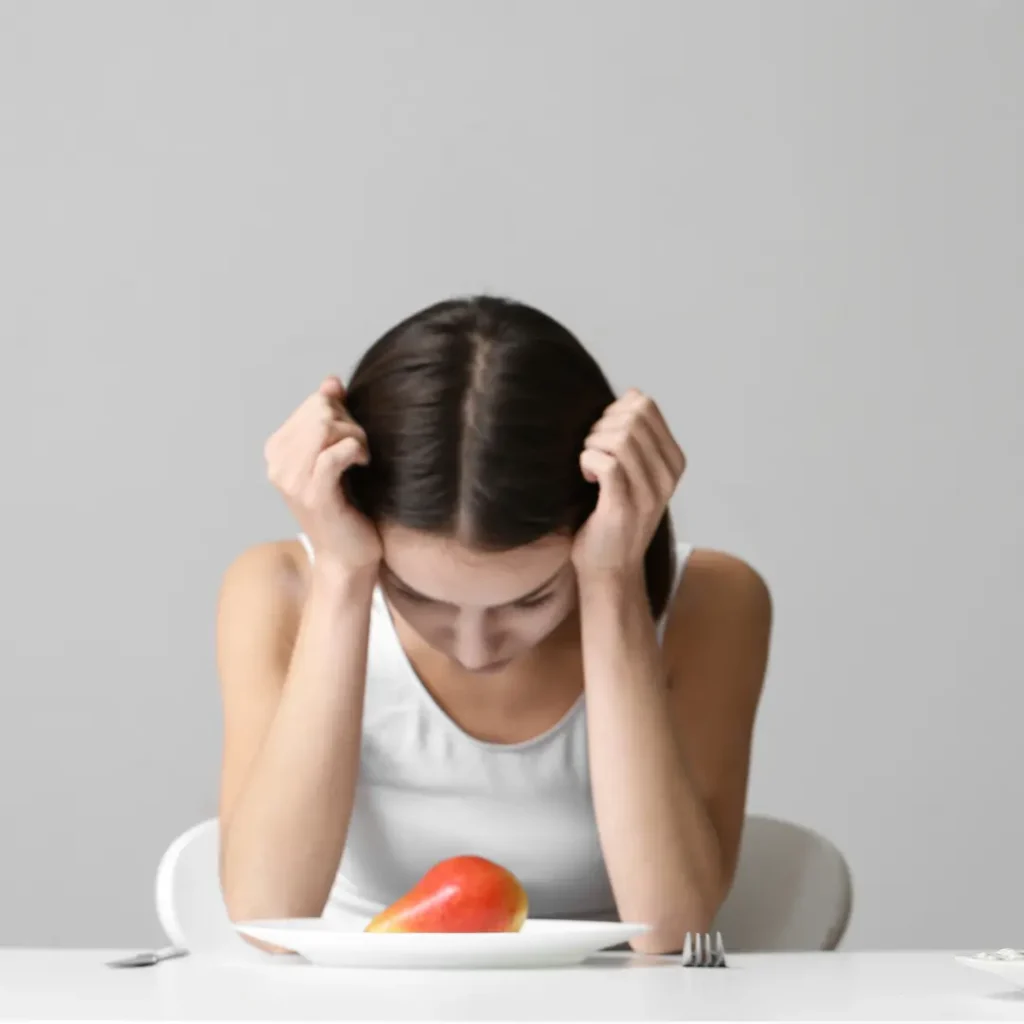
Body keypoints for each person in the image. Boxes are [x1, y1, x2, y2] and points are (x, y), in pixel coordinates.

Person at [215, 295, 772, 955]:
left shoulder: (713, 601)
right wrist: (343, 577)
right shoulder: (280, 589)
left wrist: (611, 582)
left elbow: (674, 932)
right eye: (412, 594)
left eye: (530, 599)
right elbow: (269, 922)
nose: (475, 648)